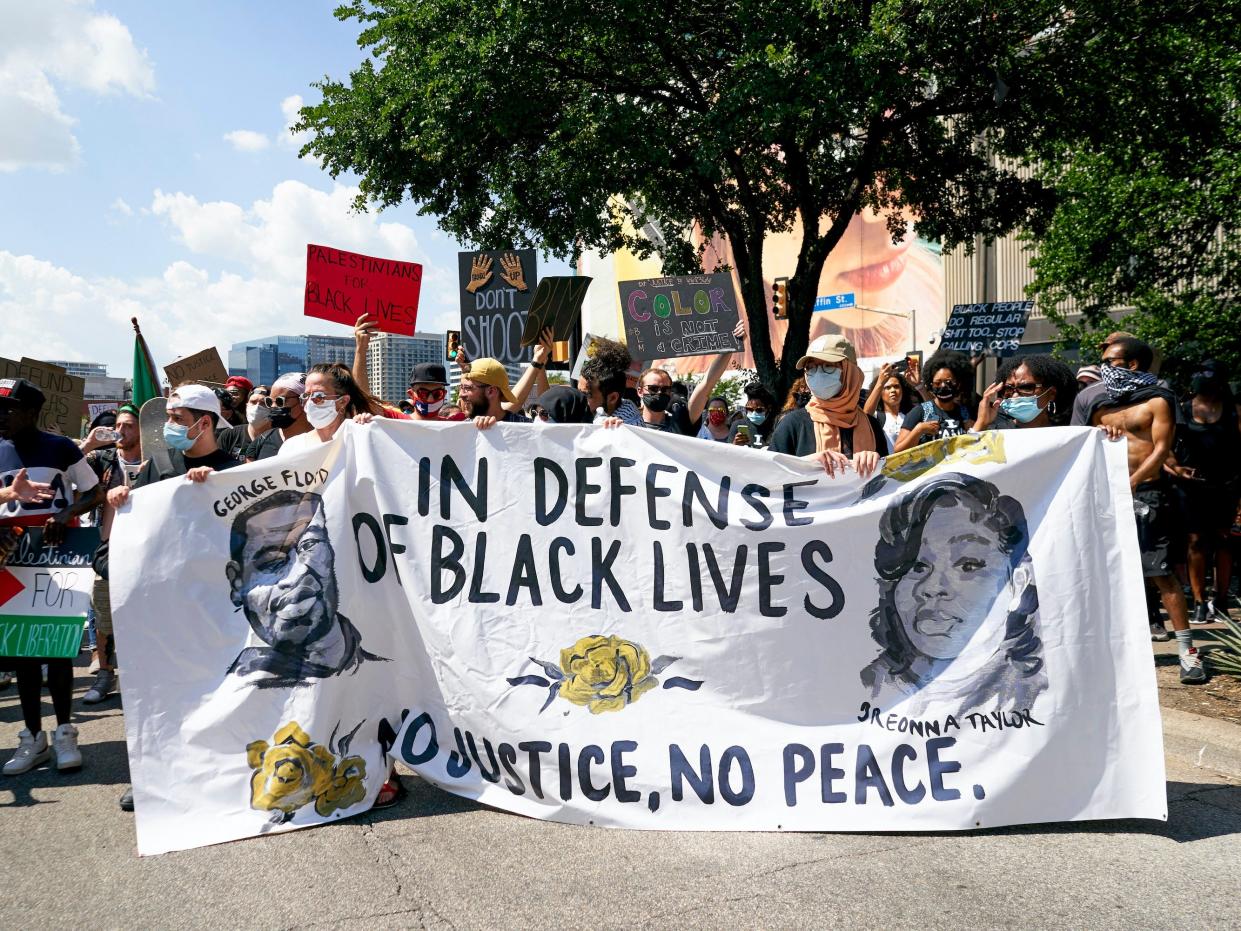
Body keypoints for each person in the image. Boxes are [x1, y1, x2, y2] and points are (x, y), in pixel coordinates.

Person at [107, 384, 243, 809]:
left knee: (217, 695)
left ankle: (223, 774)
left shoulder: (236, 470)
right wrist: (121, 505)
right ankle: (154, 778)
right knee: (165, 696)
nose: (167, 426)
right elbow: (132, 538)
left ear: (205, 422)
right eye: (167, 416)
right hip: (167, 612)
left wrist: (214, 487)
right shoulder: (156, 471)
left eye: (177, 419)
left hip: (217, 613)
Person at [861, 472, 1046, 715]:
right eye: (917, 566)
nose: (933, 587)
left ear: (1018, 581)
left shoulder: (1049, 698)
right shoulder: (865, 690)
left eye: (968, 565)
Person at [1086, 337, 1206, 683]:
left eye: (1111, 362)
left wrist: (1134, 480)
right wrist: (1100, 430)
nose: (1105, 367)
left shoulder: (1157, 402)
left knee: (1161, 573)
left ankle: (1188, 652)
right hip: (1107, 497)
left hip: (1147, 495)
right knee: (1109, 576)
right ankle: (1116, 653)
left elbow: (1161, 449)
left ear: (1133, 364)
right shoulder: (1100, 405)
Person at [1, 378, 102, 776]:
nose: (2, 416)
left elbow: (95, 490)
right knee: (23, 652)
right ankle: (32, 736)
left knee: (59, 649)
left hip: (59, 555)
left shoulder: (60, 447)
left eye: (8, 409)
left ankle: (64, 731)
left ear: (32, 411)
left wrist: (64, 514)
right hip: (12, 559)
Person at [225, 490, 385, 688]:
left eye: (311, 546)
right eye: (274, 562)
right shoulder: (234, 696)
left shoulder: (391, 663)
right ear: (237, 582)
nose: (300, 574)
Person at [80, 403, 143, 705]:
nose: (121, 431)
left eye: (129, 425)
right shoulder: (101, 459)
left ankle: (144, 676)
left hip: (147, 552)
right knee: (103, 616)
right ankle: (106, 675)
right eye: (118, 425)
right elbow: (66, 472)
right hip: (108, 549)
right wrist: (89, 443)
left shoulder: (159, 461)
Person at [1166, 374, 1240, 624]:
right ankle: (1199, 601)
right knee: (1196, 542)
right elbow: (1165, 445)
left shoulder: (1233, 410)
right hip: (1191, 485)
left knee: (1224, 540)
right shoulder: (1183, 409)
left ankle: (1220, 602)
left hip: (1226, 485)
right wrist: (1176, 468)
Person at [767, 334, 886, 479]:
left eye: (828, 366)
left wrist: (878, 462)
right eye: (810, 368)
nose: (818, 374)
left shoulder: (872, 426)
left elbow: (888, 483)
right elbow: (769, 475)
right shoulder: (793, 424)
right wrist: (806, 463)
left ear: (850, 372)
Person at [278, 364, 375, 458]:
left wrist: (368, 428)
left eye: (319, 396)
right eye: (306, 395)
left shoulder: (359, 440)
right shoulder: (291, 447)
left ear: (343, 401)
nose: (310, 402)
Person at [892, 349, 974, 451]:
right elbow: (898, 450)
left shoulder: (965, 413)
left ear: (958, 383)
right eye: (938, 383)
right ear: (931, 384)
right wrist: (919, 430)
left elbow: (975, 443)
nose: (943, 386)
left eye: (948, 382)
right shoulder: (920, 411)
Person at [973, 355, 1078, 431]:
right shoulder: (995, 434)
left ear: (1051, 393)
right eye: (1008, 389)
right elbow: (965, 458)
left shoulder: (1066, 435)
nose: (1015, 395)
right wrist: (981, 423)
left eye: (1026, 387)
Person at [579, 337, 643, 425]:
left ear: (612, 398)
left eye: (588, 395)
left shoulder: (628, 429)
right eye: (579, 392)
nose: (580, 399)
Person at [460, 358, 530, 428]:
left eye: (467, 388)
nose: (461, 394)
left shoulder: (527, 428)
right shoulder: (461, 431)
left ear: (491, 391)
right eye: (461, 387)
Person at [863, 361, 917, 448]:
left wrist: (919, 385)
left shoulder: (912, 414)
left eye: (896, 386)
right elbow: (866, 414)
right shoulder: (877, 417)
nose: (893, 390)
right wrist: (881, 382)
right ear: (880, 392)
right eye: (887, 387)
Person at [729, 383, 778, 448]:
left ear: (768, 408)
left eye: (759, 410)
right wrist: (734, 445)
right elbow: (728, 453)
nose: (754, 413)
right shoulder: (737, 425)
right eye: (750, 409)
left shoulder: (775, 427)